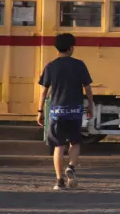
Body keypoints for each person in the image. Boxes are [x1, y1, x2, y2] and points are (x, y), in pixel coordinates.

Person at [37, 33, 94, 191]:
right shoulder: (79, 65)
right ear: (71, 48)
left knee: (58, 146)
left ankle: (58, 181)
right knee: (75, 143)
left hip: (57, 111)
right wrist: (90, 106)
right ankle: (71, 168)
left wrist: (40, 111)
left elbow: (43, 92)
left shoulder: (50, 66)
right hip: (75, 111)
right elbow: (87, 88)